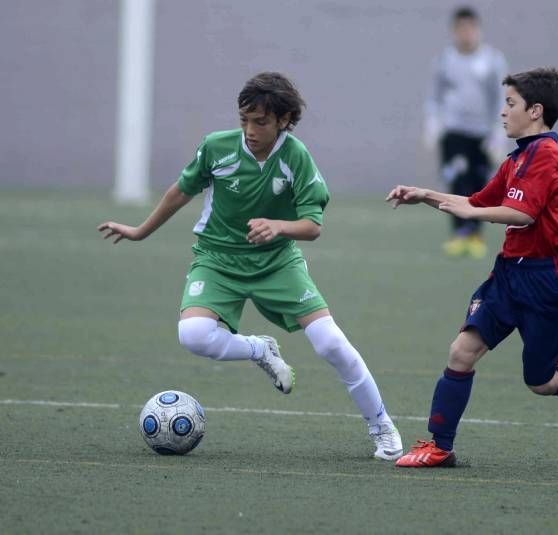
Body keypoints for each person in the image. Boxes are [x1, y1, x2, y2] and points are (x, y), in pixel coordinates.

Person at [98, 72, 403, 461]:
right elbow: (180, 191)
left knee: (331, 343)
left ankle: (382, 426)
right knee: (193, 335)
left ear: (283, 120)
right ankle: (259, 349)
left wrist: (278, 226)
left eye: (260, 122)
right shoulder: (216, 148)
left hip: (277, 262)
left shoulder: (297, 158)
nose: (249, 130)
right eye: (244, 120)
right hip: (217, 260)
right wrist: (140, 231)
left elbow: (312, 227)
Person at [387, 67, 558, 467]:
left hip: (546, 284)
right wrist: (426, 195)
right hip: (509, 276)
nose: (502, 113)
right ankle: (440, 445)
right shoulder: (519, 158)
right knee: (461, 352)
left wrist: (460, 208)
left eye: (510, 104)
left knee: (542, 381)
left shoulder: (546, 156)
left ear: (536, 111)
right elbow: (476, 200)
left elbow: (520, 215)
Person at [424, 6, 509, 259]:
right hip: (454, 131)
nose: (466, 34)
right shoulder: (445, 60)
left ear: (478, 30)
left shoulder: (492, 60)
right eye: (461, 29)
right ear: (454, 31)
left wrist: (499, 133)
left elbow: (501, 98)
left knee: (479, 182)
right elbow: (434, 96)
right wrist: (433, 122)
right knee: (456, 179)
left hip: (481, 133)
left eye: (470, 28)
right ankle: (459, 232)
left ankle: (475, 233)